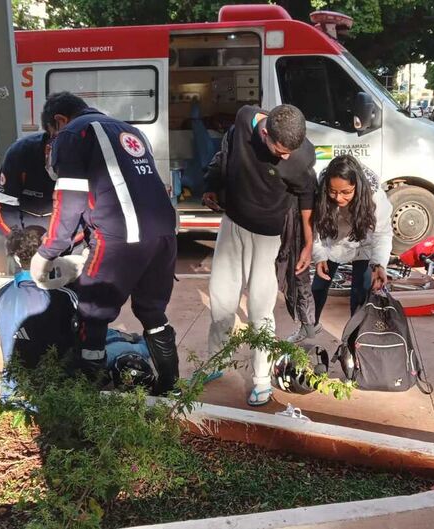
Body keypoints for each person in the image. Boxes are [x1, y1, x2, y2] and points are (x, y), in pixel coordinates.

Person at [29, 92, 180, 395]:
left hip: (120, 238)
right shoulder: (128, 130)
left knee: (92, 313)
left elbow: (69, 200)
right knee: (152, 311)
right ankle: (170, 388)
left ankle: (88, 392)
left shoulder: (73, 133)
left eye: (51, 134)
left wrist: (49, 250)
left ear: (58, 121)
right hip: (164, 234)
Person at [203, 104, 316, 407]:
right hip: (233, 224)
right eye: (280, 151)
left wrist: (307, 243)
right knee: (221, 301)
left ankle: (262, 380)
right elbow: (225, 152)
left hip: (269, 237)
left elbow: (307, 197)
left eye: (291, 150)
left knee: (259, 311)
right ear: (264, 133)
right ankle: (216, 362)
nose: (287, 157)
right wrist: (213, 184)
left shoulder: (301, 156)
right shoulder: (243, 120)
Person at [286, 155, 392, 343]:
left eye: (346, 192)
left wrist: (379, 265)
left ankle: (355, 338)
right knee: (318, 286)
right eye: (332, 192)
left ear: (357, 187)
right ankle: (309, 326)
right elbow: (314, 227)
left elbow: (382, 234)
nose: (338, 198)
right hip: (331, 241)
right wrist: (319, 257)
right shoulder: (320, 190)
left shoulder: (375, 197)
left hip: (362, 243)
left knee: (360, 291)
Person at [0, 226, 79, 401]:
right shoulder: (65, 297)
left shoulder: (0, 296)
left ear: (16, 258)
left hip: (13, 394)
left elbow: (3, 330)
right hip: (57, 395)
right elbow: (82, 336)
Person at [0, 126, 57, 239]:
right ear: (48, 149)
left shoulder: (85, 157)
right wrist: (17, 239)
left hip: (67, 229)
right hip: (26, 223)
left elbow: (91, 215)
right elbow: (1, 206)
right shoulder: (19, 152)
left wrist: (61, 241)